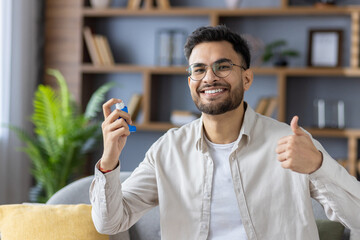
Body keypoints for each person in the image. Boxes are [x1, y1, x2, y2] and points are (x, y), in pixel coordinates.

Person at [90, 25, 360, 239]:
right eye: (199, 69)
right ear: (190, 82)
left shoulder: (291, 143)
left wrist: (318, 166)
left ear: (247, 78)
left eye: (223, 66)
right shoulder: (168, 149)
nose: (209, 78)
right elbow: (109, 223)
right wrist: (109, 159)